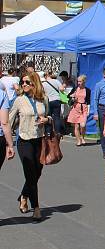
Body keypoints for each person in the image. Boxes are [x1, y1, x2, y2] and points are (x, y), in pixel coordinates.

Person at [8, 72, 51, 220]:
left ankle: (23, 195)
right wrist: (8, 142)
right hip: (24, 141)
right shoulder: (19, 100)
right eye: (22, 83)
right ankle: (36, 208)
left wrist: (47, 119)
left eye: (27, 82)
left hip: (39, 140)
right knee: (30, 174)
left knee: (37, 173)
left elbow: (50, 116)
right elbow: (9, 120)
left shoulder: (43, 99)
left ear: (34, 83)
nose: (24, 85)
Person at [67, 74, 91, 146]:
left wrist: (88, 111)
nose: (78, 83)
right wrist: (72, 97)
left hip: (84, 107)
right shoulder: (75, 88)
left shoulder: (87, 90)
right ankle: (78, 140)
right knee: (76, 126)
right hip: (76, 107)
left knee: (83, 125)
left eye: (80, 81)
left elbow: (88, 101)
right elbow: (68, 96)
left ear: (84, 81)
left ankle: (82, 137)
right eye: (78, 81)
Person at [42, 70, 64, 136]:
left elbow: (42, 92)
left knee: (49, 117)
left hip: (48, 101)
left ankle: (48, 132)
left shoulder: (43, 84)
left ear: (45, 76)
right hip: (57, 100)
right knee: (57, 117)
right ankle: (58, 132)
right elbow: (62, 89)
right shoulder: (56, 81)